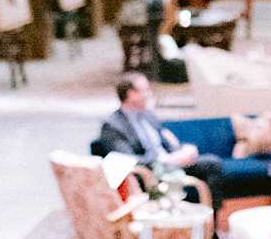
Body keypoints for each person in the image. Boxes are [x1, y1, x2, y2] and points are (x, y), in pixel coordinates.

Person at [95, 71, 225, 206]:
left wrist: (183, 150)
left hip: (172, 162)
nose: (149, 94)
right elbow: (126, 159)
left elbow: (167, 142)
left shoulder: (148, 116)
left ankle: (211, 222)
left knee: (212, 163)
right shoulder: (113, 125)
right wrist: (166, 161)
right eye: (145, 90)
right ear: (131, 94)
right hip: (150, 171)